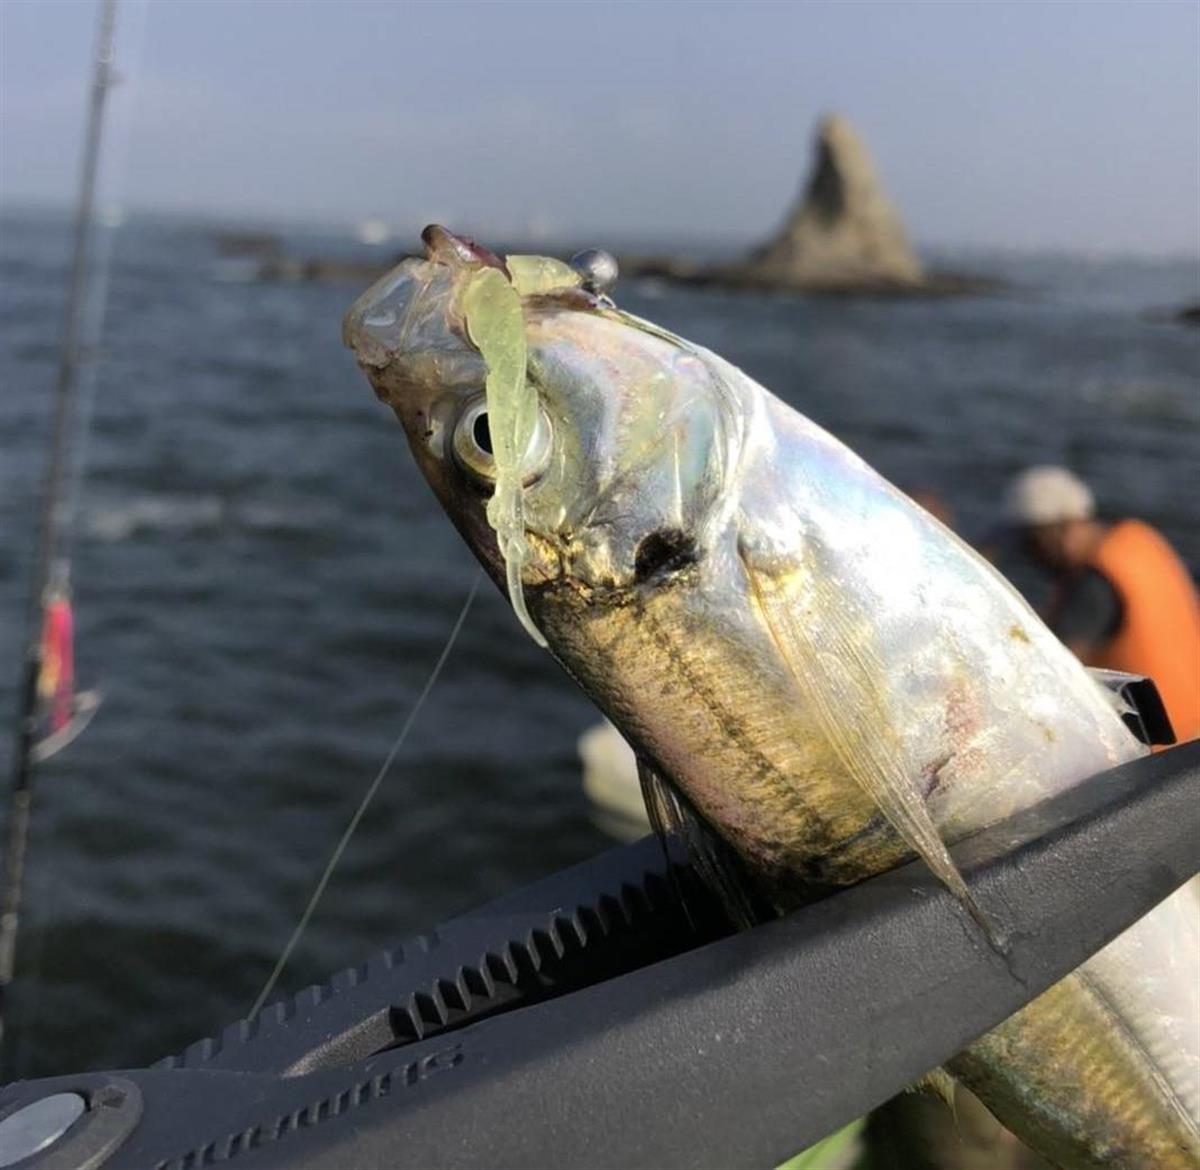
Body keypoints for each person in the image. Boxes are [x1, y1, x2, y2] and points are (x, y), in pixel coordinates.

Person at [1004, 466, 1200, 742]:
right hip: (1192, 725)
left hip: (1159, 753)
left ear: (1063, 529)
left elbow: (1050, 677)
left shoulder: (1093, 587)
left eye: (1033, 542)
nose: (1031, 556)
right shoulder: (1137, 539)